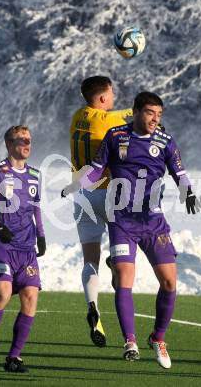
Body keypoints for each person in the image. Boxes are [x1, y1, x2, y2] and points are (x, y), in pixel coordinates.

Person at [63, 92, 196, 369]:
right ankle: (130, 341)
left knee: (170, 282)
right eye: (150, 113)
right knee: (124, 275)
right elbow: (97, 170)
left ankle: (158, 338)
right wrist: (77, 184)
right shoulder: (115, 136)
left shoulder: (166, 142)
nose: (155, 119)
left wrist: (189, 193)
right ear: (135, 112)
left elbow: (180, 174)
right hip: (121, 219)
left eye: (159, 114)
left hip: (153, 220)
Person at [68, 76, 133, 348]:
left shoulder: (77, 117)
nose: (114, 97)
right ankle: (115, 265)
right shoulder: (108, 122)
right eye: (112, 92)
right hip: (109, 192)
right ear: (103, 98)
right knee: (125, 252)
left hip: (82, 193)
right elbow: (130, 119)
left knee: (89, 259)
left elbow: (116, 114)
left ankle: (92, 304)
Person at [0, 125, 46, 373]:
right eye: (21, 140)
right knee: (3, 294)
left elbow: (36, 207)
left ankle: (14, 358)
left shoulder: (36, 174)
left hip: (26, 248)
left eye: (29, 139)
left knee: (30, 298)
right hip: (1, 245)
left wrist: (41, 236)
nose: (27, 143)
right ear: (9, 144)